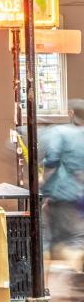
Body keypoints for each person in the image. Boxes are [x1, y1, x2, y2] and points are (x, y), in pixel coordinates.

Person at [42, 98, 84, 259]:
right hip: (80, 195)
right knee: (78, 237)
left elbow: (52, 160)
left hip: (65, 192)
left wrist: (43, 179)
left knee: (61, 240)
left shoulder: (60, 132)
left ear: (71, 114)